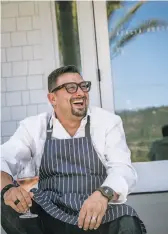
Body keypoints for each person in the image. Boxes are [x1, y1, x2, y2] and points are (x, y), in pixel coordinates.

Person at [1, 65, 146, 234]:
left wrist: (104, 194)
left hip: (96, 212)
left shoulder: (107, 122)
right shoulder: (34, 126)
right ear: (52, 98)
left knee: (128, 223)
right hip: (50, 211)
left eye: (84, 86)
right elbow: (4, 157)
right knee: (6, 203)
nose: (81, 93)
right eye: (71, 88)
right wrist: (7, 189)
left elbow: (123, 168)